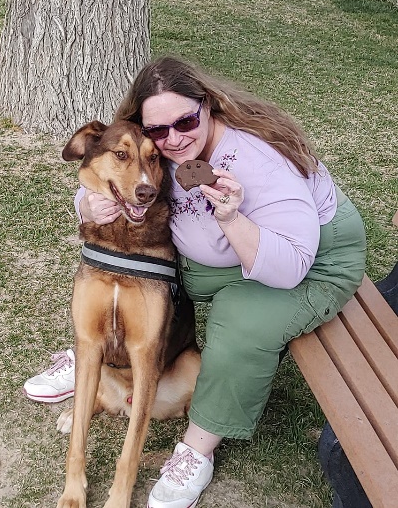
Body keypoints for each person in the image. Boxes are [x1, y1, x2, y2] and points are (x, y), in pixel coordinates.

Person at [23, 56, 367, 508]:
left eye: (185, 121)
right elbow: (113, 166)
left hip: (311, 259)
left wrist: (230, 218)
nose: (172, 138)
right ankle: (102, 350)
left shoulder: (257, 161)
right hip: (223, 252)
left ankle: (197, 450)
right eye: (159, 131)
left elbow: (289, 267)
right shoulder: (163, 149)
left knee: (239, 321)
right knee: (152, 281)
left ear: (208, 106)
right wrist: (86, 205)